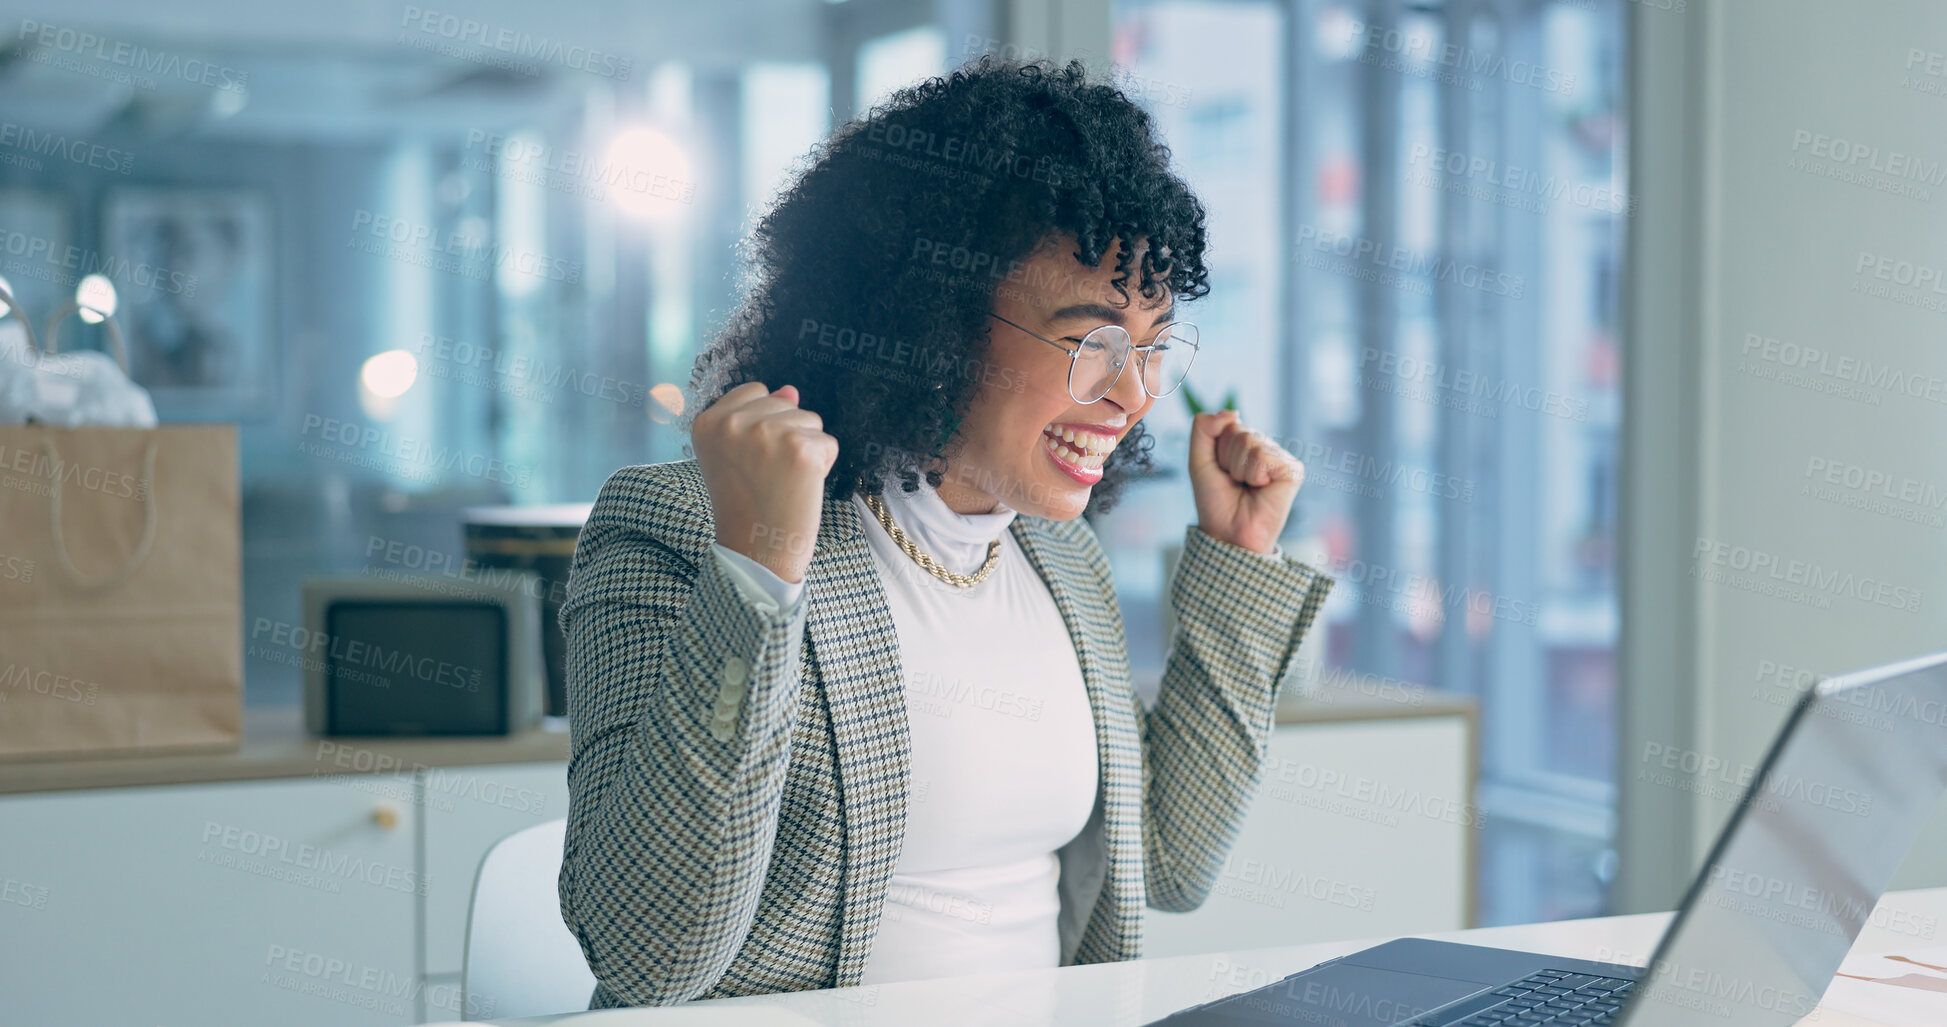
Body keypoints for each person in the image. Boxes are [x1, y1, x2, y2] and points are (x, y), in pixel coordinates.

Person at [557, 56, 1335, 1010]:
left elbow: (1170, 862)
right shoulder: (680, 528)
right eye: (1091, 340)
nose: (1132, 397)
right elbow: (651, 952)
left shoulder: (1056, 559)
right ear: (932, 319)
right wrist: (756, 572)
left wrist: (1236, 558)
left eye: (1151, 348)